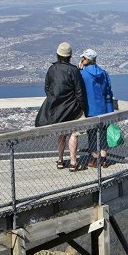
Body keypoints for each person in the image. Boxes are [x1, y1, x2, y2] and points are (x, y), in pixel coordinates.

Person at [34, 42, 87, 171]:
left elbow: (47, 88)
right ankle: (74, 163)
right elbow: (80, 91)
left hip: (57, 108)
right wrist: (81, 107)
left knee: (61, 134)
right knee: (74, 134)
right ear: (70, 56)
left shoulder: (52, 69)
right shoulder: (73, 70)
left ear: (58, 55)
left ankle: (60, 160)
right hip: (73, 108)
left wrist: (54, 99)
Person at [76, 48, 114, 168]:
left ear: (87, 59)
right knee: (103, 134)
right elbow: (108, 90)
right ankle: (104, 159)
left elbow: (79, 89)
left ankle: (94, 159)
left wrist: (78, 70)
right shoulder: (103, 73)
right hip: (103, 108)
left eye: (83, 58)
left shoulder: (83, 73)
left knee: (92, 134)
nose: (81, 59)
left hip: (90, 109)